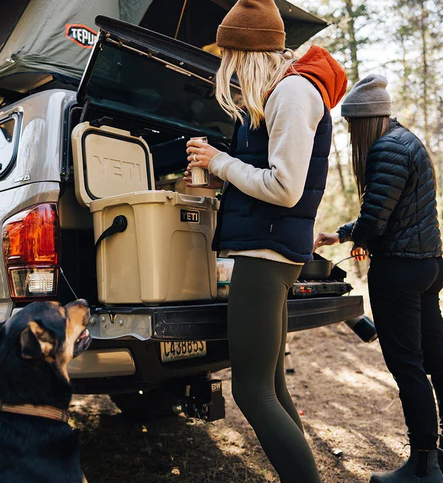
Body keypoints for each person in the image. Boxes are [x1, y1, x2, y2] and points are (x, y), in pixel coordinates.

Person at [185, 0, 347, 481]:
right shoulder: (284, 90)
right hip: (271, 250)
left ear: (247, 53)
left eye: (231, 60)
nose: (230, 72)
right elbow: (269, 175)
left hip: (267, 254)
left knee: (250, 391)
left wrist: (219, 162)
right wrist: (223, 175)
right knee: (271, 387)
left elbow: (284, 188)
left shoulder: (293, 92)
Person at [314, 74, 443, 483]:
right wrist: (342, 235)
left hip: (399, 271)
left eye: (353, 125)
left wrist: (358, 236)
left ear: (365, 120)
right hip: (428, 265)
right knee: (436, 359)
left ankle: (423, 465)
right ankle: (439, 458)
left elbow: (375, 218)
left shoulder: (385, 148)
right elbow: (392, 211)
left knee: (407, 366)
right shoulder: (408, 141)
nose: (353, 134)